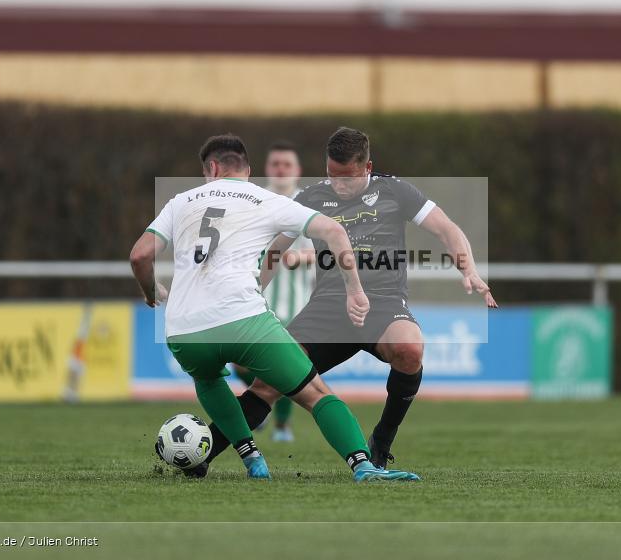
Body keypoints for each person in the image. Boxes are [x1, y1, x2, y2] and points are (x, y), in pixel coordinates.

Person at [195, 126, 497, 475]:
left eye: (347, 179)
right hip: (327, 306)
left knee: (411, 349)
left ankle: (382, 441)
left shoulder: (395, 190)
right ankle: (201, 454)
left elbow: (448, 229)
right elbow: (275, 251)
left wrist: (468, 269)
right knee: (269, 382)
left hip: (383, 302)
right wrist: (251, 291)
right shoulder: (311, 197)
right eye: (331, 176)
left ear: (367, 168)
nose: (338, 186)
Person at [129, 133, 419, 482]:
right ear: (248, 171)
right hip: (243, 319)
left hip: (183, 328)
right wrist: (354, 289)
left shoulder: (180, 201)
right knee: (314, 394)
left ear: (212, 168)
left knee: (210, 381)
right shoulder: (265, 199)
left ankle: (251, 458)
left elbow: (140, 255)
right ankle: (363, 464)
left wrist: (151, 292)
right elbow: (333, 232)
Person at [232, 141, 314, 443]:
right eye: (275, 164)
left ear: (297, 171)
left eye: (286, 164)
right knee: (238, 362)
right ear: (267, 169)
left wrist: (300, 257)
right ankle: (260, 408)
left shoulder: (307, 206)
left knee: (285, 367)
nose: (281, 169)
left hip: (296, 303)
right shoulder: (253, 201)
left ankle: (281, 426)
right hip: (253, 297)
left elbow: (330, 252)